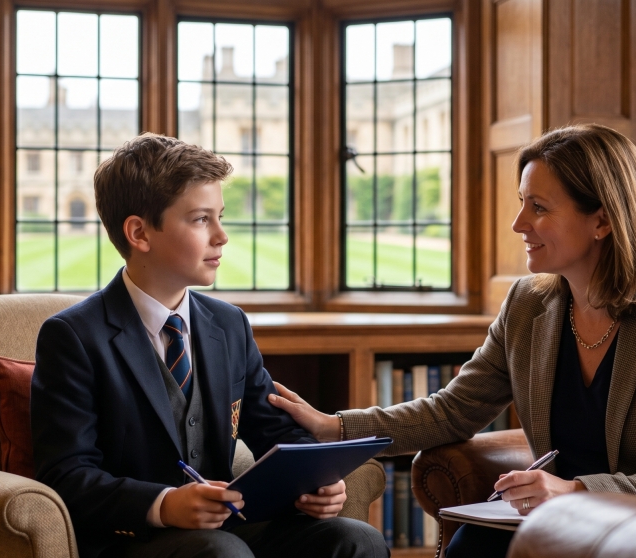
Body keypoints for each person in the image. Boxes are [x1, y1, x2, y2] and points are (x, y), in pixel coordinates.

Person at [269, 124, 636, 557]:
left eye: (539, 207)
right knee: (472, 546)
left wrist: (573, 490)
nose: (518, 224)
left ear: (604, 220)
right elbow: (452, 411)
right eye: (521, 204)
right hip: (572, 518)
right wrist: (335, 428)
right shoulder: (528, 305)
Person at [30, 133, 387, 558]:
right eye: (201, 219)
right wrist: (163, 505)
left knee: (357, 539)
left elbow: (274, 431)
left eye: (220, 216)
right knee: (221, 553)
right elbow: (66, 475)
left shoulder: (228, 324)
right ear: (139, 233)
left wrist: (320, 479)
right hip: (131, 541)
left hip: (227, 530)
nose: (222, 236)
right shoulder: (72, 336)